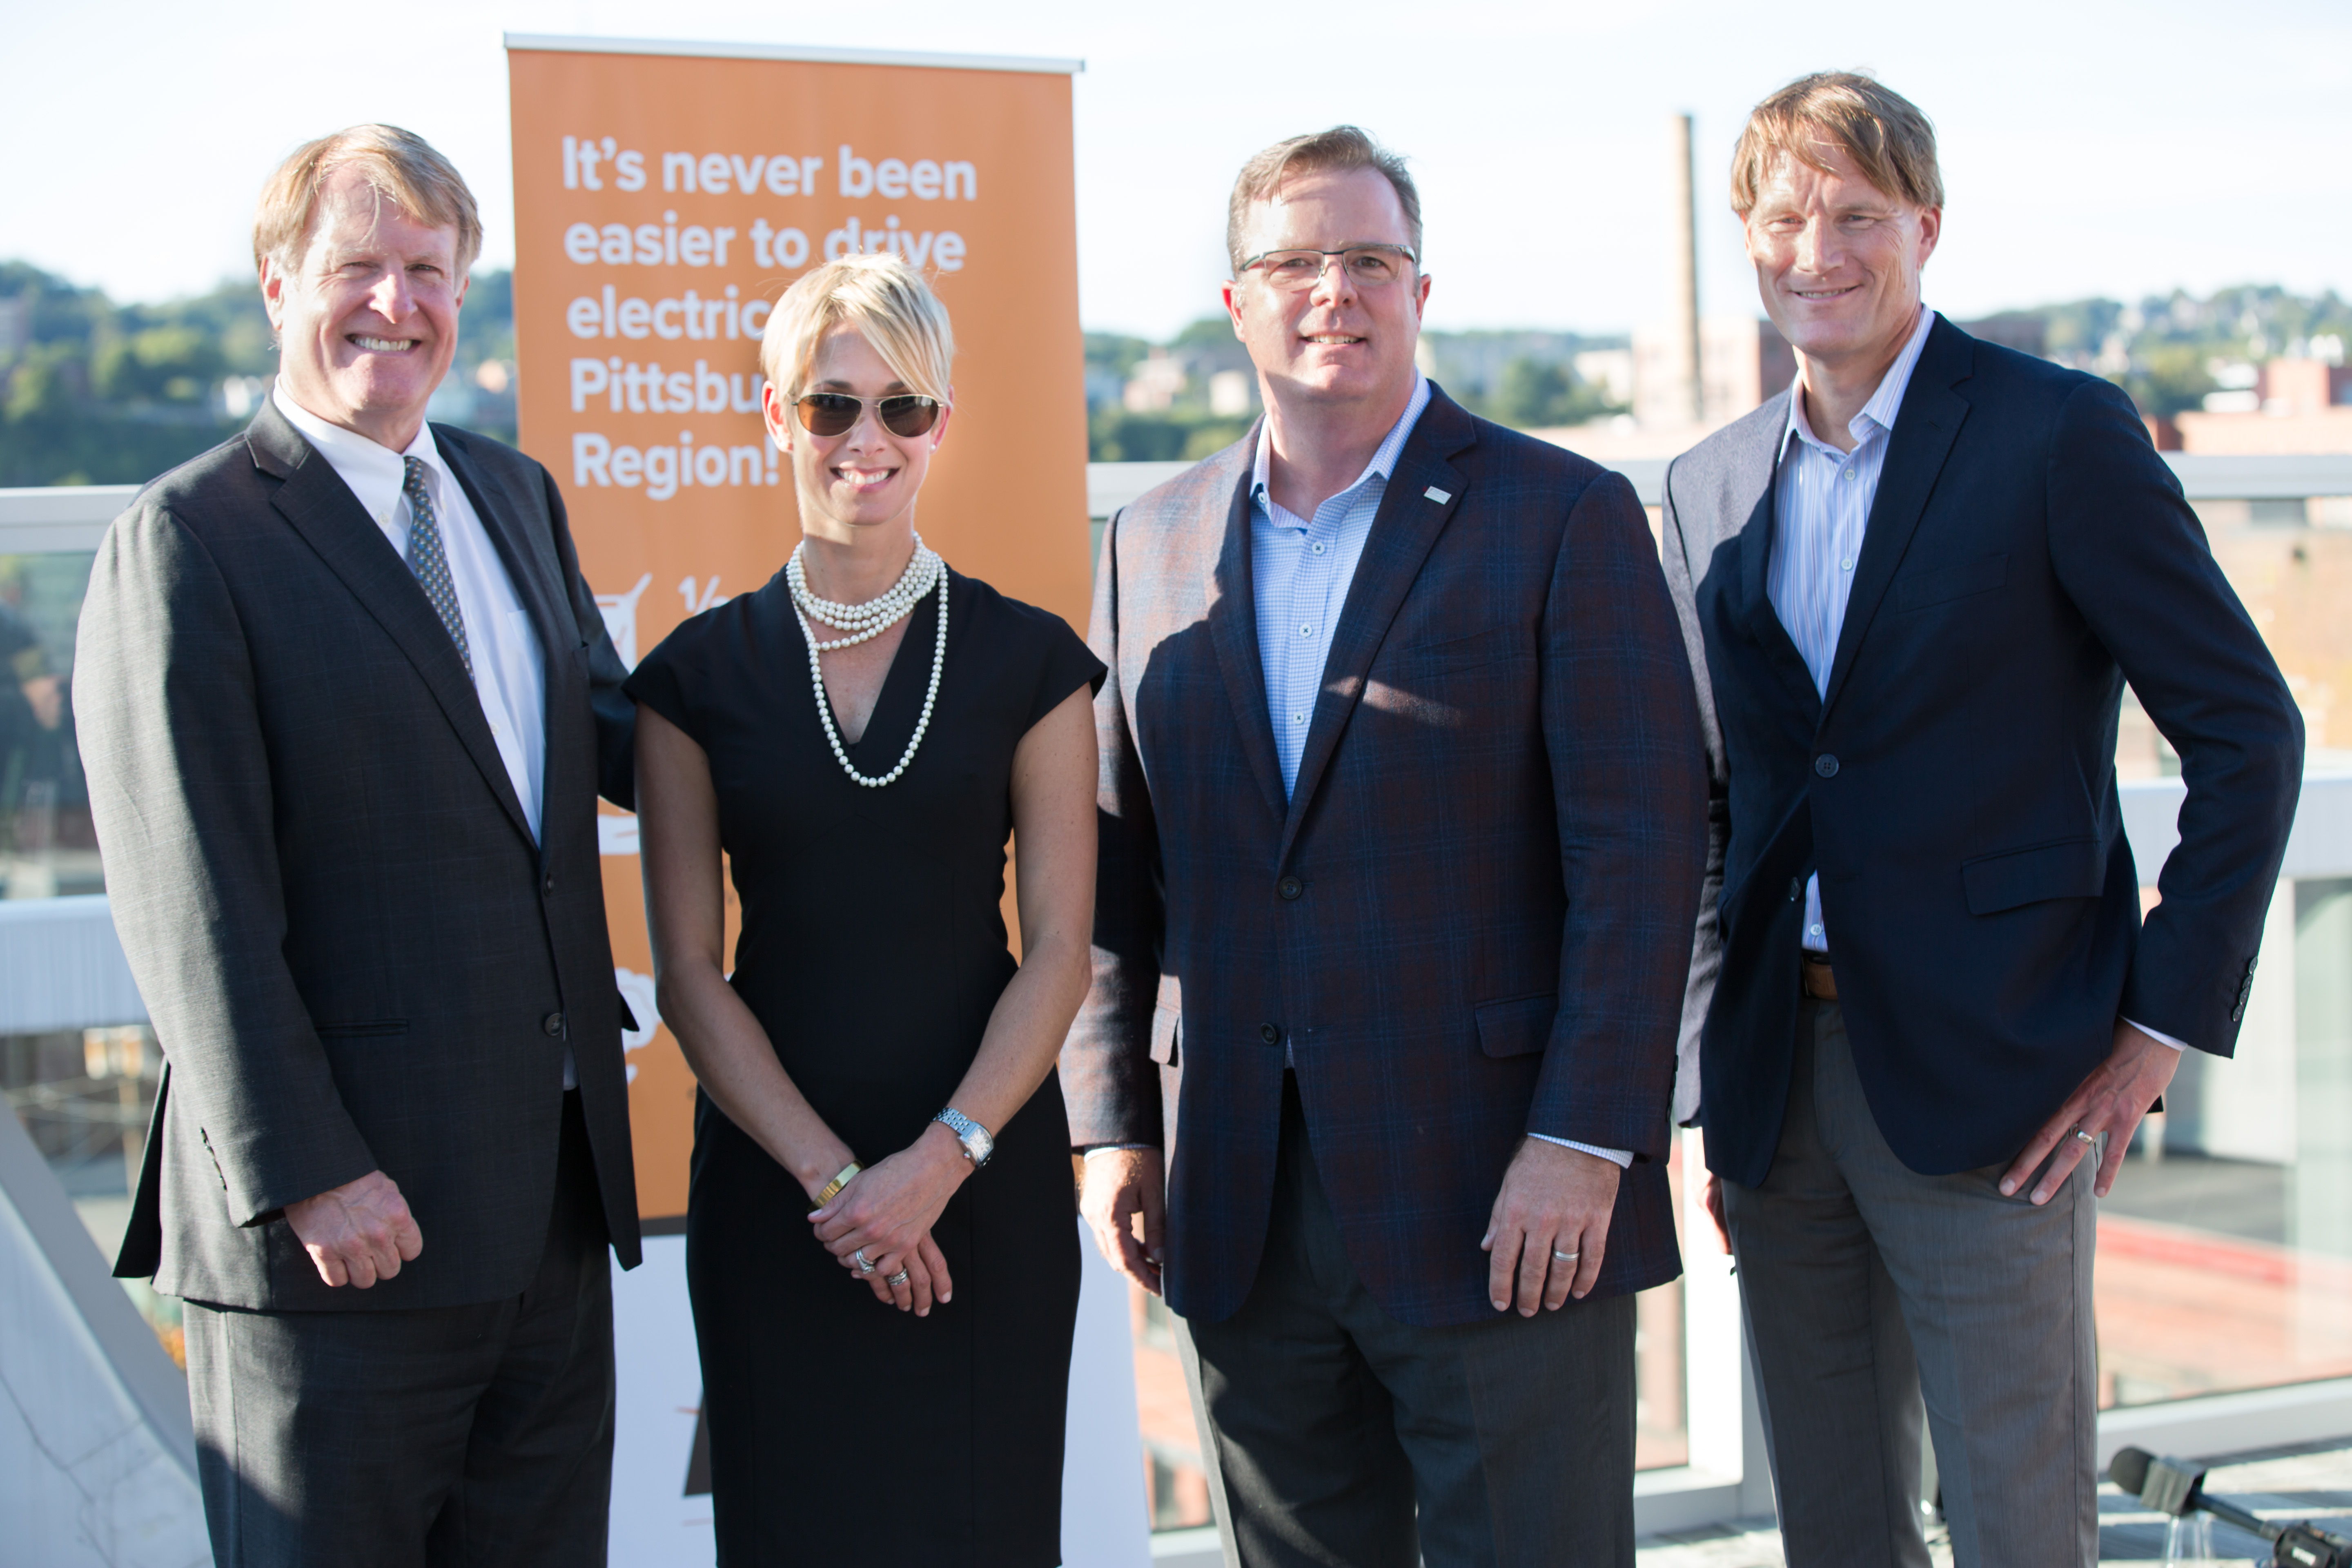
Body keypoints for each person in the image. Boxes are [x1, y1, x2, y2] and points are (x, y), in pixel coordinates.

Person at [1660, 74, 2305, 1567]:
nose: (1816, 250)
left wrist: (2153, 1034)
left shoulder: (2057, 436)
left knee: (2019, 1521)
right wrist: (1715, 1069)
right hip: (1780, 1092)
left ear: (1926, 230)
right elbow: (1715, 806)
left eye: (1856, 215)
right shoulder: (1708, 486)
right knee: (1833, 1523)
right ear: (1747, 246)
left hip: (2007, 1071)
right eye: (1781, 219)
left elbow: (2250, 733)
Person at [1065, 127, 1708, 1566]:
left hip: (1502, 1198)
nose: (1332, 291)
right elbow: (1116, 869)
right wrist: (1111, 1124)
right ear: (1236, 305)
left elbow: (1645, 857)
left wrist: (1584, 1137)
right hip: (1231, 1197)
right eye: (1294, 261)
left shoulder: (1563, 515)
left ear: (1424, 290)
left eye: (1369, 259)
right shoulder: (1150, 541)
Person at [74, 126, 641, 1567]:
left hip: (548, 1221)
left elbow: (613, 737)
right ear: (278, 286)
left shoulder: (513, 496)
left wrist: (884, 690)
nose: (397, 304)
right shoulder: (189, 539)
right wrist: (309, 1167)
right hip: (340, 1244)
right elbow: (187, 896)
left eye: (430, 272)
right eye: (359, 268)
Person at [628, 251, 1102, 1566]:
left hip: (985, 1185)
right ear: (777, 416)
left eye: (903, 407)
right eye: (832, 405)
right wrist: (843, 1189)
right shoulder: (692, 679)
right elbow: (687, 974)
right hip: (783, 1207)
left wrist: (936, 1167)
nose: (868, 439)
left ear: (942, 425)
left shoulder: (1031, 659)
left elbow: (1062, 949)